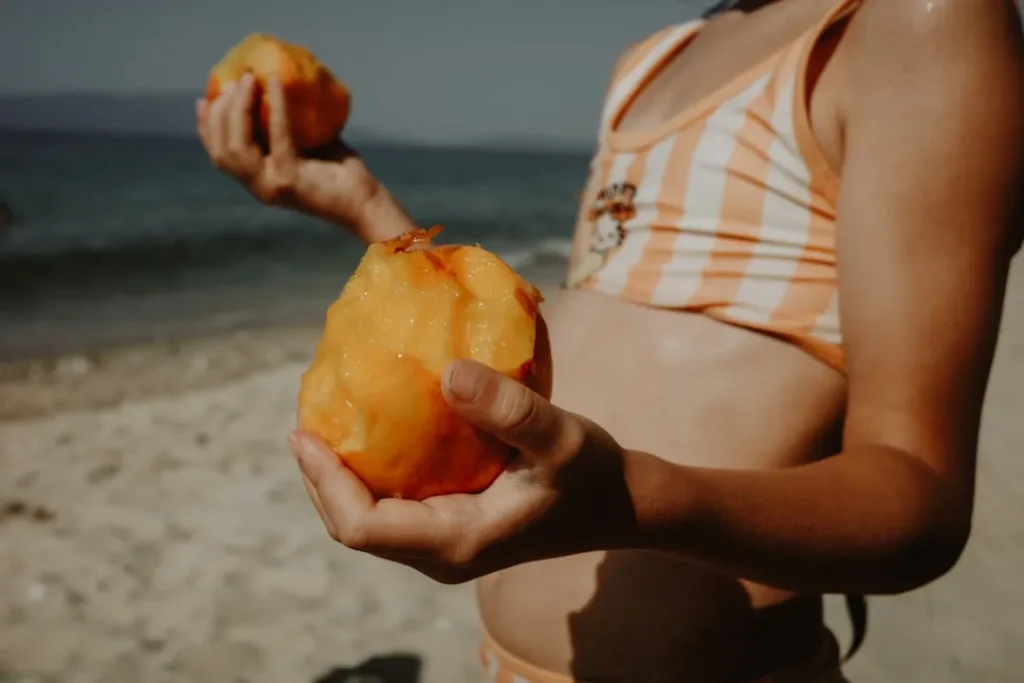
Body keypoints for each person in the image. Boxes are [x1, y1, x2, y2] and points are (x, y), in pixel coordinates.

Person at [197, 0, 1024, 680]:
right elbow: (577, 359)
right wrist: (365, 206)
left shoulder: (914, 22)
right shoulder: (651, 63)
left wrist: (630, 497)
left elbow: (921, 504)